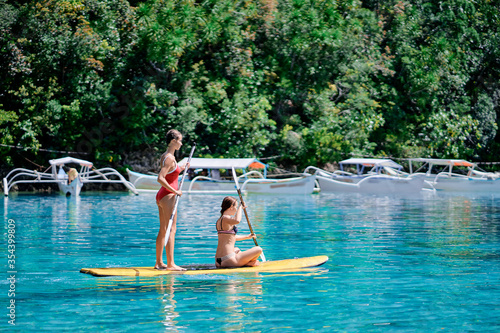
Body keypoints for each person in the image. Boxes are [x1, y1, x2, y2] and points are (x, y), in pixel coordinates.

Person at [155, 129, 190, 270]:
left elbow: (170, 173)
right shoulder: (169, 158)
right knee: (171, 229)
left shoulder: (166, 156)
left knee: (163, 229)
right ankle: (171, 264)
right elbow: (160, 178)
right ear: (173, 141)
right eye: (180, 140)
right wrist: (175, 191)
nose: (181, 143)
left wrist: (181, 168)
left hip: (161, 196)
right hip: (168, 195)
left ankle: (159, 263)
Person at [215, 196, 262, 268]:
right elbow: (237, 220)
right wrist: (240, 207)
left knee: (236, 249)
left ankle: (248, 262)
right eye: (236, 207)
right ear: (231, 207)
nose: (236, 209)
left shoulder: (219, 220)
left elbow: (230, 238)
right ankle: (248, 263)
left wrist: (247, 237)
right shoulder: (225, 218)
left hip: (218, 261)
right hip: (228, 260)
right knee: (259, 249)